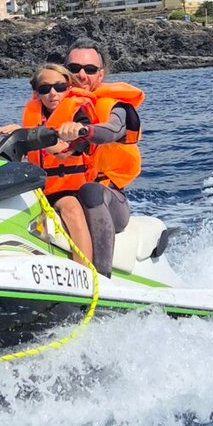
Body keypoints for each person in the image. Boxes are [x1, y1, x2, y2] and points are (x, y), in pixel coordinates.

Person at [0, 64, 97, 263]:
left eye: (59, 87)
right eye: (45, 88)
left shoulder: (79, 115)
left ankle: (84, 268)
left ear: (69, 87)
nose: (53, 93)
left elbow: (66, 151)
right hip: (36, 186)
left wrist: (25, 134)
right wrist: (3, 137)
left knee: (71, 208)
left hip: (68, 189)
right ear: (37, 92)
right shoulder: (33, 115)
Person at [60, 44, 145, 275]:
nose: (81, 75)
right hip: (64, 194)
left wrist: (84, 130)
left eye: (89, 69)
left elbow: (112, 130)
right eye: (74, 68)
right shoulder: (52, 103)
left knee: (90, 191)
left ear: (101, 74)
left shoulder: (115, 108)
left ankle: (101, 277)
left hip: (107, 198)